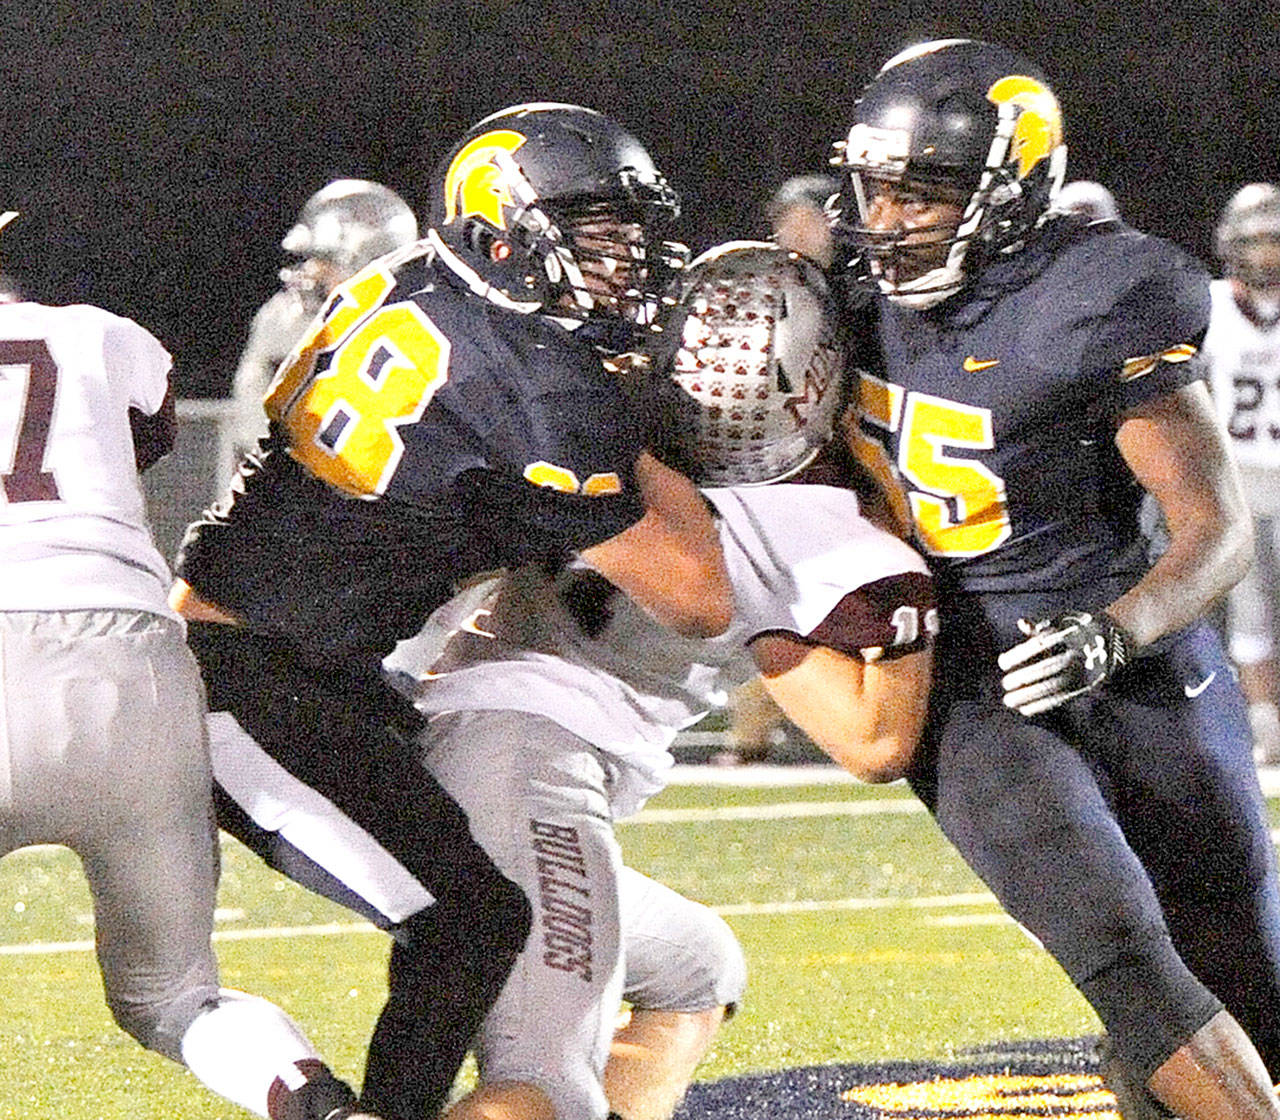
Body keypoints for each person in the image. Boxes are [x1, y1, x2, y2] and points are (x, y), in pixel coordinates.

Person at [170, 101, 734, 1120]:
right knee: (469, 918)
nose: (622, 265)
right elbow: (698, 598)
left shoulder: (407, 282)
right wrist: (650, 434)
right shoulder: (532, 384)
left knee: (480, 900)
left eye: (627, 236)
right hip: (243, 680)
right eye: (593, 238)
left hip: (311, 664)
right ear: (500, 235)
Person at [787, 37, 1280, 1120]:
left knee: (1248, 981)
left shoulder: (1096, 293)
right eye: (876, 188)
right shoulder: (830, 306)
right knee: (1116, 945)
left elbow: (1212, 525)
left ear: (1010, 195)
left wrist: (1116, 627)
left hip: (1136, 659)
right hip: (969, 680)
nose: (890, 218)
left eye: (923, 193)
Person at [382, 240, 935, 1120]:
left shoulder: (594, 411)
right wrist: (911, 571)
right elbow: (874, 741)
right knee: (546, 1089)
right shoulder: (810, 517)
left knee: (694, 970)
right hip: (522, 759)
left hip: (454, 738)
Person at [0, 278, 380, 1118]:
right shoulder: (102, 331)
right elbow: (138, 442)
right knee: (175, 998)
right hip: (134, 660)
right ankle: (327, 1112)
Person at [229, 178, 420, 456]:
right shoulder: (283, 317)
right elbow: (253, 424)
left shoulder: (407, 326)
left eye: (324, 261)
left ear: (364, 268)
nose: (310, 271)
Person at [1203, 182, 1280, 763]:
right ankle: (1262, 721)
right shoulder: (1209, 307)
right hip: (1234, 474)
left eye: (1274, 243)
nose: (1265, 257)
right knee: (1248, 602)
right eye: (1255, 243)